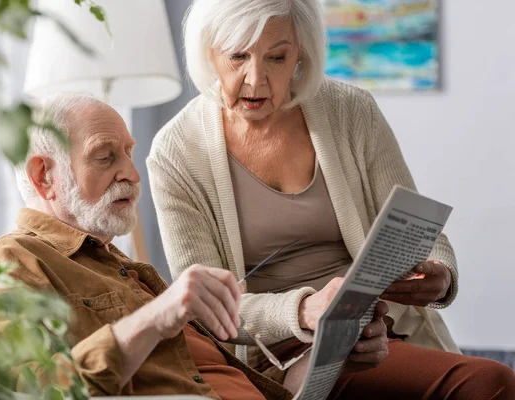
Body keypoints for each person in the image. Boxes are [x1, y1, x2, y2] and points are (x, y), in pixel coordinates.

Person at [146, 0, 515, 398]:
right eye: (238, 56)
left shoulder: (350, 111)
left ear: (301, 51)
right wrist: (304, 311)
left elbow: (418, 230)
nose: (256, 79)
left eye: (277, 57)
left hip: (373, 332)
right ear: (208, 51)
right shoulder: (175, 152)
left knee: (488, 382)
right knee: (492, 383)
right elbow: (206, 310)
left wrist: (441, 275)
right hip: (276, 350)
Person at [0, 94, 389, 399]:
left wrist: (333, 354)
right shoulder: (12, 261)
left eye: (128, 153)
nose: (131, 172)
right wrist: (159, 314)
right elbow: (23, 389)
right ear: (44, 177)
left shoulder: (122, 268)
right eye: (104, 156)